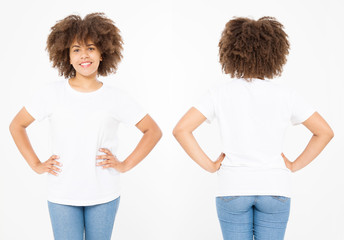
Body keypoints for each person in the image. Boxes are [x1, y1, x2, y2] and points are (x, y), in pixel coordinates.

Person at [173, 16, 333, 240]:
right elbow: (325, 132)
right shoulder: (286, 95)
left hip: (233, 187)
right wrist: (294, 165)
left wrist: (210, 166)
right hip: (275, 188)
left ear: (230, 53)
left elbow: (181, 129)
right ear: (275, 54)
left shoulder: (219, 93)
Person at [9, 12, 162, 240]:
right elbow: (17, 125)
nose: (84, 56)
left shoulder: (116, 97)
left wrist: (125, 165)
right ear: (67, 57)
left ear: (102, 53)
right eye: (76, 50)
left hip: (104, 193)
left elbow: (153, 131)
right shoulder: (50, 94)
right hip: (62, 193)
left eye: (91, 48)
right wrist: (35, 164)